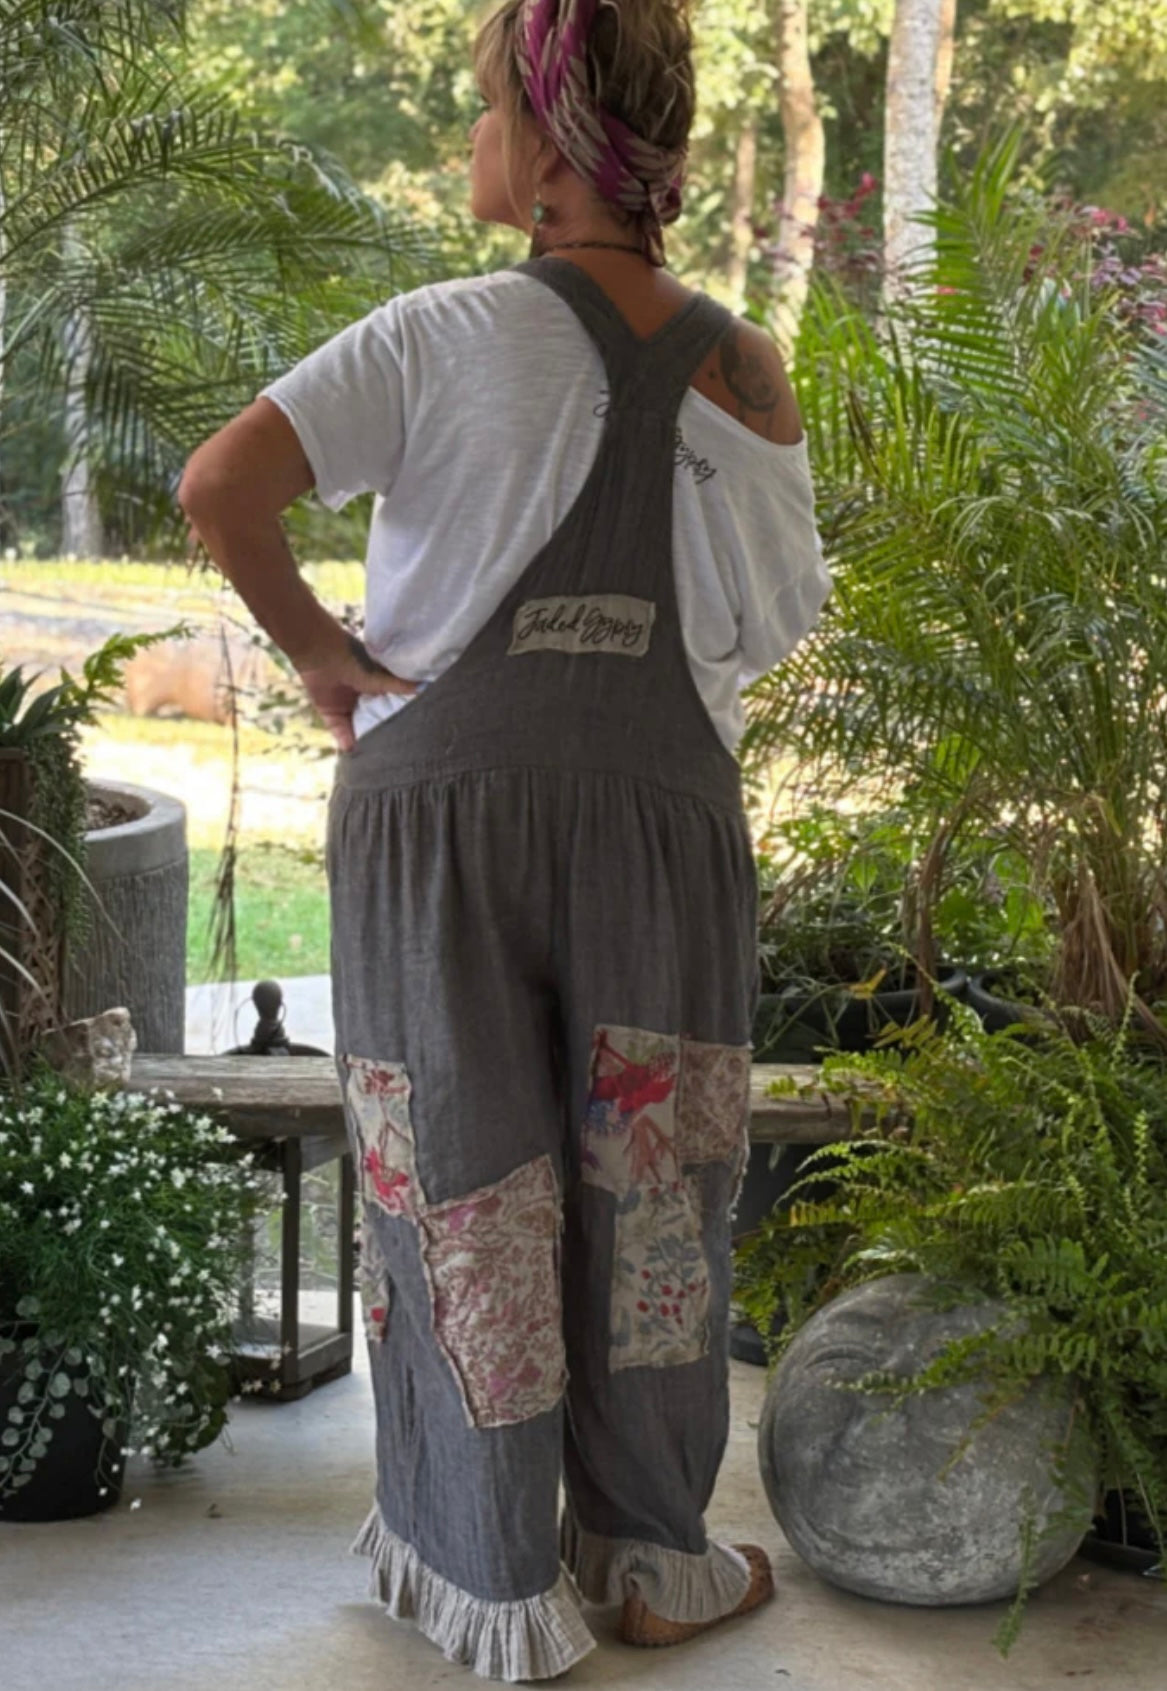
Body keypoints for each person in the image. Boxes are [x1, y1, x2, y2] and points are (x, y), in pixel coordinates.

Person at [179, 0, 831, 1679]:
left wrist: (326, 654)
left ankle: (485, 1571)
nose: (474, 139)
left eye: (486, 110)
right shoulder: (748, 369)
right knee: (659, 1192)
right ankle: (653, 1555)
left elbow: (219, 489)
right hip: (660, 831)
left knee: (458, 1181)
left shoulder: (438, 332)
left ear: (547, 144)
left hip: (437, 830)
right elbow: (770, 626)